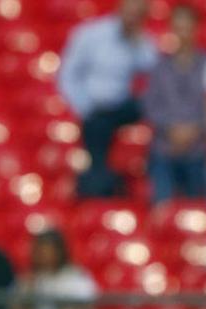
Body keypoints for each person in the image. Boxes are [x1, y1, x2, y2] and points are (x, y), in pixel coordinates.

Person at [57, 0, 157, 198]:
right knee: (97, 126)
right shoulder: (91, 34)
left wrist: (136, 42)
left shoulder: (142, 40)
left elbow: (156, 73)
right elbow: (67, 75)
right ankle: (99, 189)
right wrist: (83, 107)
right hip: (93, 108)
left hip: (124, 107)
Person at [144, 4, 206, 204]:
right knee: (162, 206)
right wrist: (171, 130)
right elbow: (151, 106)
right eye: (178, 28)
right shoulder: (159, 66)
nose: (183, 34)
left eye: (187, 28)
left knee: (197, 208)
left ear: (196, 29)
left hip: (199, 148)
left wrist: (194, 130)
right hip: (165, 146)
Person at [12, 229, 100, 309]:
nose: (42, 256)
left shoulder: (75, 276)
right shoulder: (28, 278)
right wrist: (28, 290)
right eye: (39, 251)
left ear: (59, 252)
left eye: (47, 251)